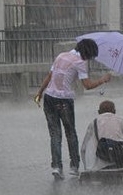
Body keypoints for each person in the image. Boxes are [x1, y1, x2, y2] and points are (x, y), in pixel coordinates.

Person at [35, 39, 111, 180]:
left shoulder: (61, 56)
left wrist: (39, 93)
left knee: (55, 134)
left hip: (49, 98)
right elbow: (87, 85)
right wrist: (103, 80)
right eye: (90, 56)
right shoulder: (80, 62)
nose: (89, 59)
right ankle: (74, 167)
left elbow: (50, 76)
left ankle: (57, 167)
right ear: (87, 52)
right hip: (64, 100)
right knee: (70, 133)